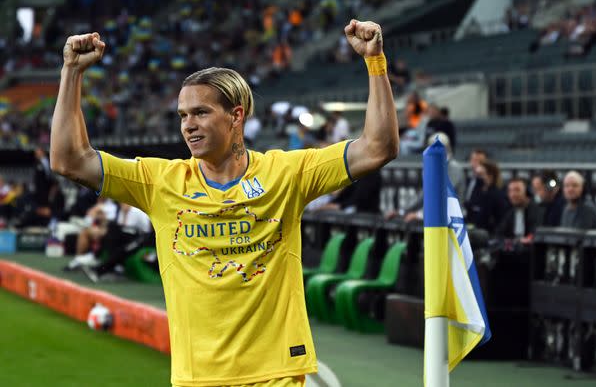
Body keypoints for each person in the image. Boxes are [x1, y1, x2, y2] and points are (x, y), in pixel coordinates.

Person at [50, 20, 398, 387]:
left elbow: (379, 147)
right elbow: (68, 160)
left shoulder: (287, 173)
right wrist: (71, 71)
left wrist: (375, 62)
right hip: (197, 377)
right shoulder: (159, 182)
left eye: (201, 112)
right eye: (183, 116)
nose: (188, 125)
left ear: (236, 116)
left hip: (275, 373)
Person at [495, 177, 542, 243]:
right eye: (510, 191)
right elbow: (499, 234)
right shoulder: (510, 212)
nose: (513, 194)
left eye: (517, 190)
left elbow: (535, 233)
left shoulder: (536, 210)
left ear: (526, 192)